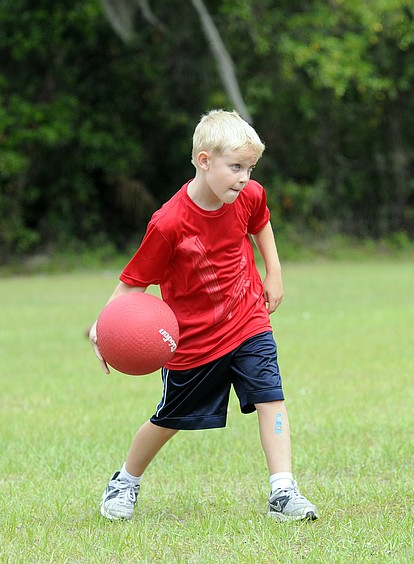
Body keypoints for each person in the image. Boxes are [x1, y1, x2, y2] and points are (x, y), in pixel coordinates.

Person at [89, 109, 318, 522]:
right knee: (170, 420)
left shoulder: (248, 194)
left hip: (248, 320)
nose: (244, 178)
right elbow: (132, 284)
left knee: (272, 398)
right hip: (193, 343)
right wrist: (102, 329)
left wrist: (275, 272)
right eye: (236, 167)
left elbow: (260, 221)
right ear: (203, 160)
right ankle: (125, 481)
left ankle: (283, 491)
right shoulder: (168, 223)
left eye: (249, 167)